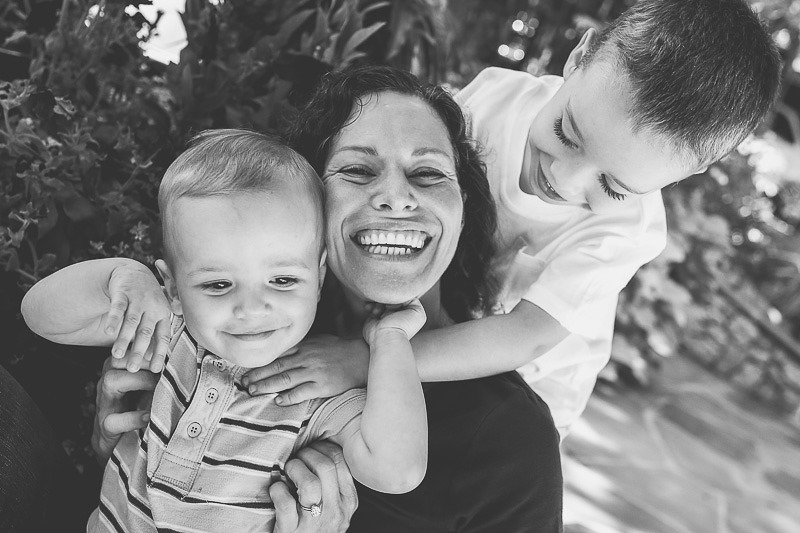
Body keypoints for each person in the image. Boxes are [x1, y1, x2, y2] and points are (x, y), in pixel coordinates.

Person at [240, 0, 783, 436]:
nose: (564, 179)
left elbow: (525, 336)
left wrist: (368, 360)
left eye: (612, 186)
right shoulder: (497, 97)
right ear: (580, 57)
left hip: (524, 380)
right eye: (567, 133)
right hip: (438, 318)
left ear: (688, 173)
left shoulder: (624, 232)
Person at [90, 68, 564, 531]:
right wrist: (111, 447)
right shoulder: (225, 323)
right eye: (357, 170)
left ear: (463, 210)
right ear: (308, 202)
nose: (396, 197)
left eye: (427, 173)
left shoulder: (511, 438)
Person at [21, 130, 429, 532]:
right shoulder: (166, 331)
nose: (250, 309)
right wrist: (120, 276)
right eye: (218, 284)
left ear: (318, 278)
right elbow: (40, 317)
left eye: (282, 280)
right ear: (173, 289)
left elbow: (399, 471)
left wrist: (389, 339)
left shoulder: (315, 392)